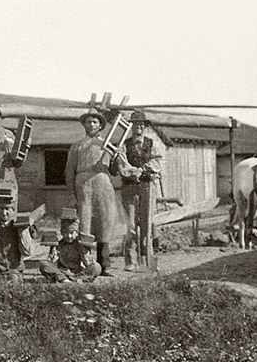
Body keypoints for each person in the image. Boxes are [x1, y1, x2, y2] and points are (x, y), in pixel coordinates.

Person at [66, 108, 124, 276]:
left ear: (100, 126)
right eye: (88, 121)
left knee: (104, 224)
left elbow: (114, 171)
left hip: (103, 186)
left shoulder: (108, 145)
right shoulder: (77, 145)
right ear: (84, 124)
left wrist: (117, 158)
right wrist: (71, 193)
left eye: (95, 122)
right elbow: (69, 171)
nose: (91, 124)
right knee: (84, 224)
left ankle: (104, 265)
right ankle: (86, 264)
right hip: (83, 186)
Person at [120, 110, 166, 271]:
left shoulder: (151, 143)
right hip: (129, 186)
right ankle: (130, 261)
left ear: (144, 126)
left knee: (147, 222)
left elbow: (158, 162)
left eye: (141, 124)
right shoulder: (124, 145)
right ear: (130, 126)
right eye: (134, 123)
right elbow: (121, 166)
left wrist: (142, 170)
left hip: (147, 185)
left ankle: (147, 260)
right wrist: (130, 172)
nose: (138, 126)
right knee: (131, 225)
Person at [38, 208, 101, 282]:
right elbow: (51, 264)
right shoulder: (57, 246)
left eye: (72, 233)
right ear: (61, 232)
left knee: (96, 267)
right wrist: (53, 256)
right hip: (62, 273)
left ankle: (79, 280)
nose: (69, 236)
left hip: (78, 273)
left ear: (77, 233)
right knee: (43, 264)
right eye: (66, 232)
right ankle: (65, 280)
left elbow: (89, 264)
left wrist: (85, 253)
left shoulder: (80, 246)